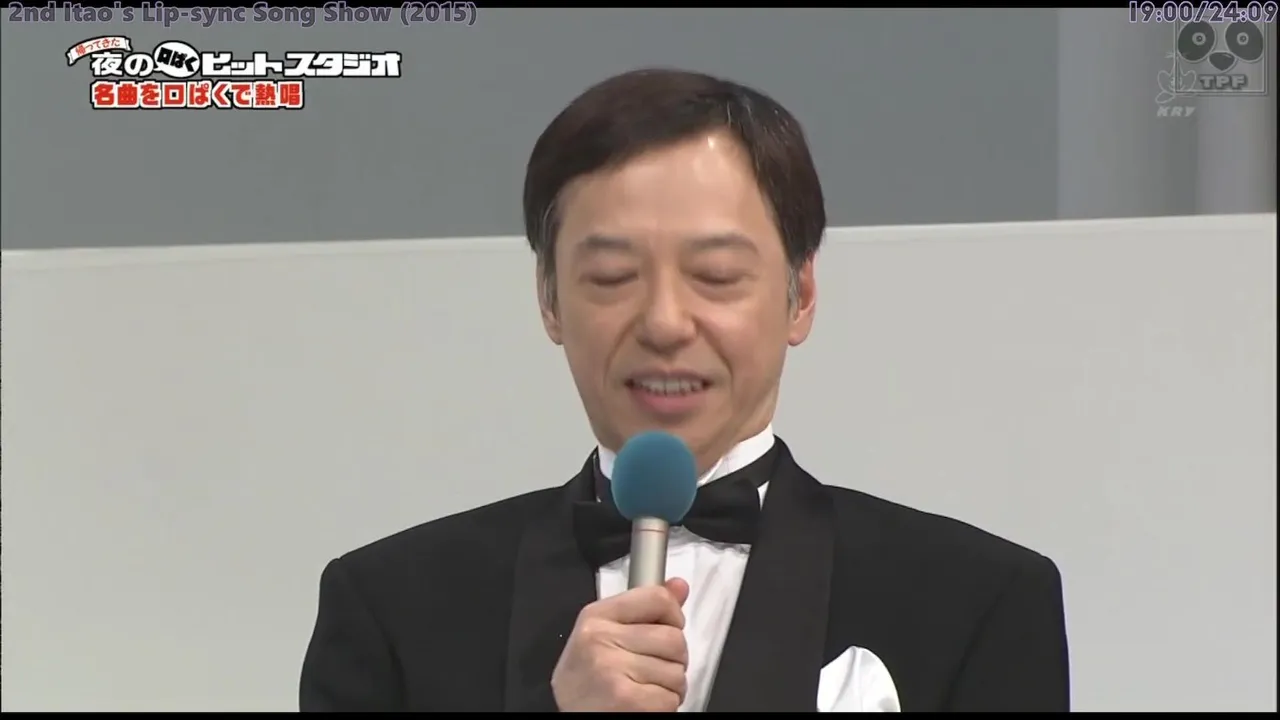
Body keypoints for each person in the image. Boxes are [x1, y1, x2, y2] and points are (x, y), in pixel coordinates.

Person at [298, 68, 1070, 713]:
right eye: (612, 276)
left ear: (800, 295)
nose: (665, 323)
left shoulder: (975, 602)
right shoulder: (393, 609)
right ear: (549, 300)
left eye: (716, 275)